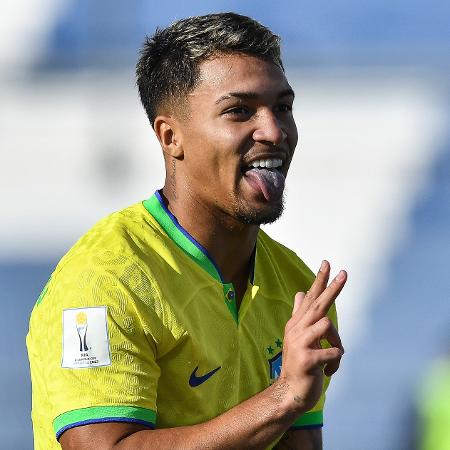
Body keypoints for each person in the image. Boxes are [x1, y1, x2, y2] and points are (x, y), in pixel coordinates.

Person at [27, 12, 346, 450]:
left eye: (283, 107)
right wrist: (282, 398)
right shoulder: (106, 280)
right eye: (239, 111)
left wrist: (292, 402)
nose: (274, 131)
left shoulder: (298, 290)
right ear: (170, 136)